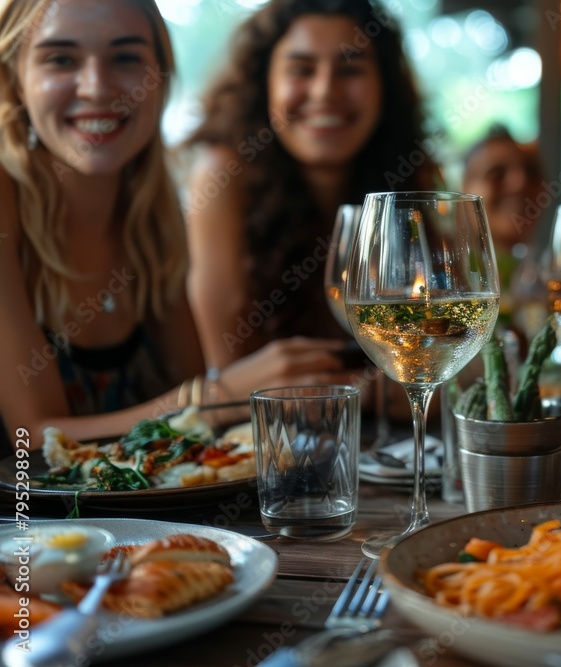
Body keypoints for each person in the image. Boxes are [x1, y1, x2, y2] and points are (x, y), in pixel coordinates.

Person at [0, 0, 344, 452]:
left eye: (125, 58)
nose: (98, 87)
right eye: (61, 59)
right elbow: (34, 440)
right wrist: (219, 396)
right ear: (14, 81)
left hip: (131, 525)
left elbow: (188, 447)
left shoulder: (150, 217)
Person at [184, 0, 439, 370]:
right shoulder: (222, 175)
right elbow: (231, 373)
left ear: (385, 85)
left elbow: (435, 347)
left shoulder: (405, 177)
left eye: (350, 69)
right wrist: (374, 392)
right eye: (301, 69)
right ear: (263, 83)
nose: (324, 92)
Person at [460, 124, 546, 290]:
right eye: (496, 174)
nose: (520, 183)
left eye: (532, 172)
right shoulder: (437, 287)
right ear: (463, 189)